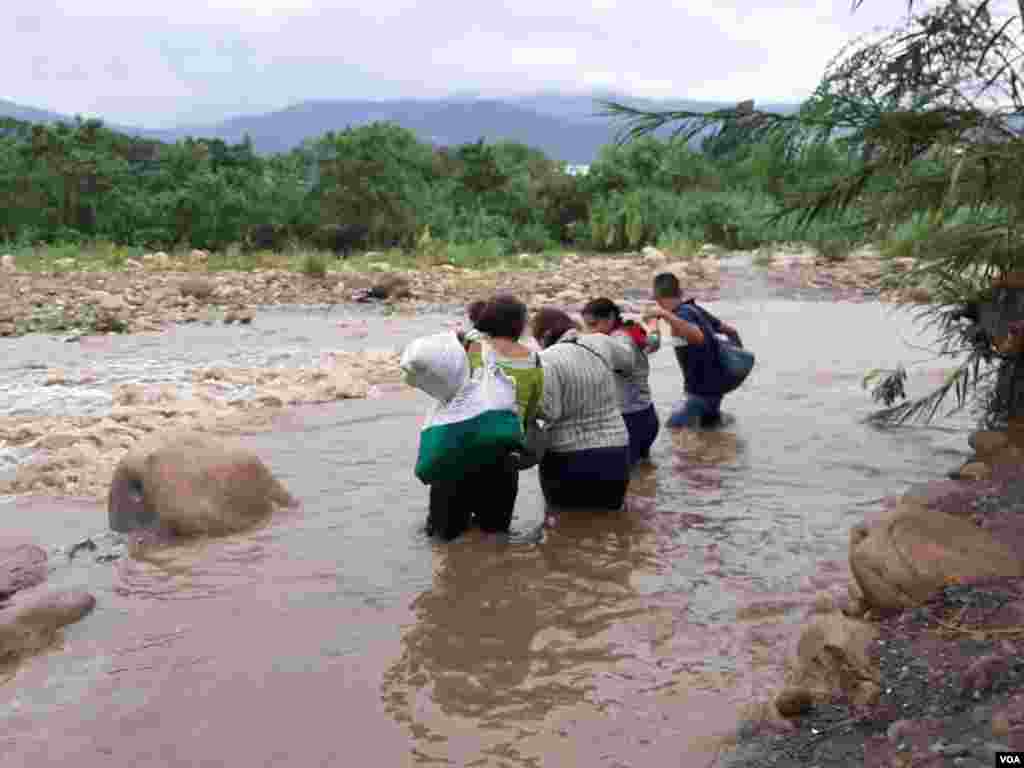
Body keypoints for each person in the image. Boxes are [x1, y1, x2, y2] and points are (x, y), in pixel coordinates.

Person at [426, 295, 543, 540]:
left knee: (443, 539)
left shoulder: (471, 345)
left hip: (456, 453)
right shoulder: (534, 360)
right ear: (520, 324)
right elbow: (531, 413)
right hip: (502, 459)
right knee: (495, 538)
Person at [530, 307, 635, 512]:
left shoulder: (544, 359)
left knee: (564, 528)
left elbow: (550, 412)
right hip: (615, 452)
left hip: (567, 458)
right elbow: (629, 362)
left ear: (543, 336)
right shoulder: (600, 341)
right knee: (612, 522)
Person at [644, 272, 742, 429]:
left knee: (673, 431)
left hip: (698, 394)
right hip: (716, 392)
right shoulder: (694, 309)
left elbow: (697, 336)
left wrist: (664, 315)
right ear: (679, 292)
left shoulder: (680, 314)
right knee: (709, 437)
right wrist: (734, 366)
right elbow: (731, 331)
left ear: (656, 297)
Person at [581, 297, 661, 465]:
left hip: (631, 420)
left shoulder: (619, 339)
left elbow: (627, 361)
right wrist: (654, 326)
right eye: (587, 326)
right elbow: (653, 343)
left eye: (594, 325)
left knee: (628, 479)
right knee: (643, 473)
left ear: (610, 317)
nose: (591, 331)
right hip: (645, 415)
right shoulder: (630, 331)